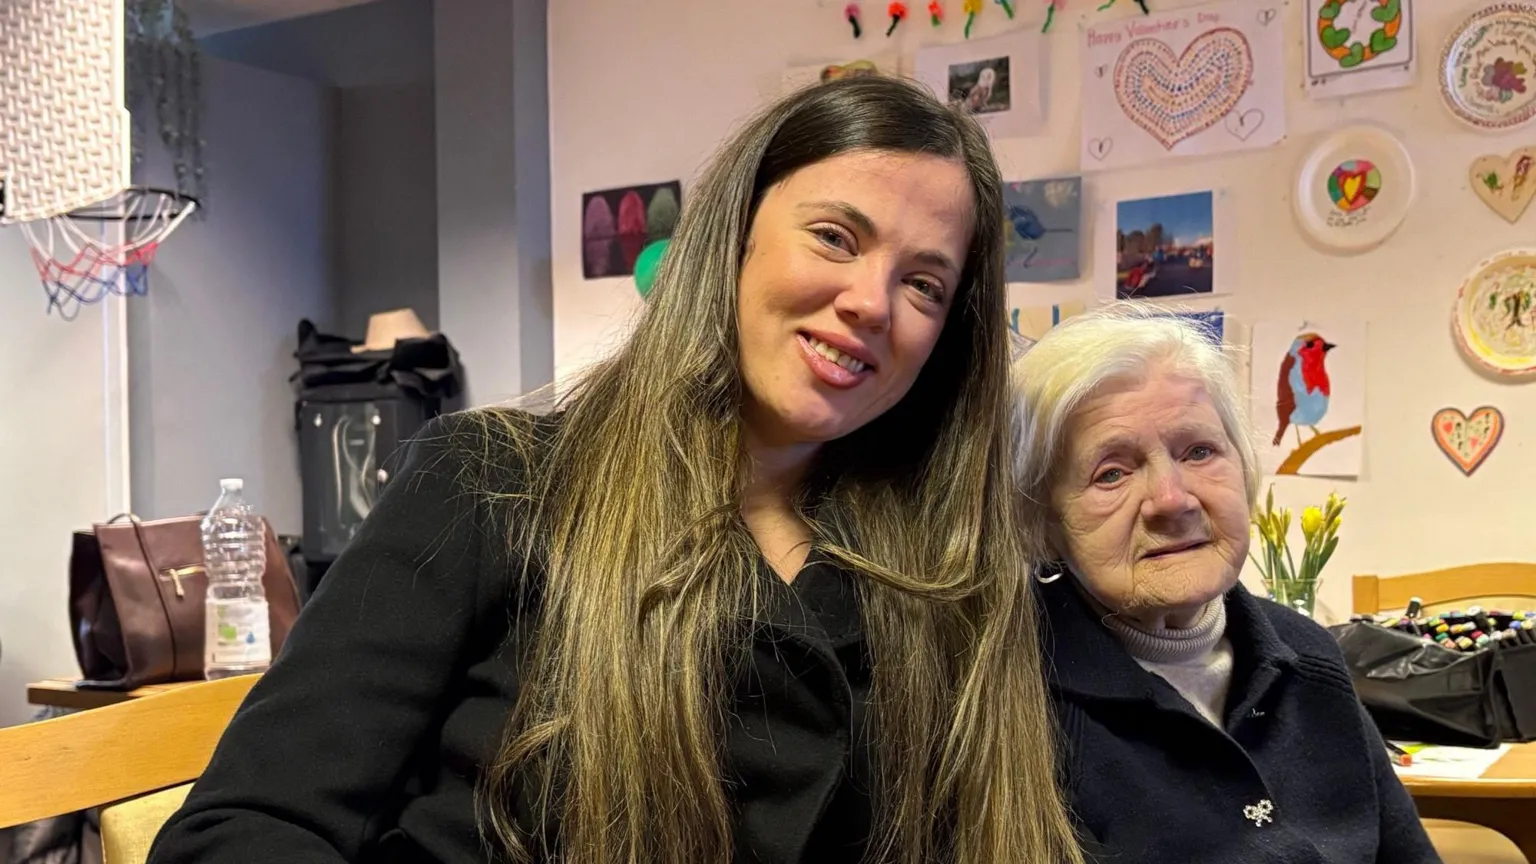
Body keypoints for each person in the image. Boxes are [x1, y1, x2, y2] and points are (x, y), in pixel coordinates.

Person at [148, 76, 1084, 864]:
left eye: (923, 283)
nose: (869, 302)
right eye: (835, 238)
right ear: (735, 237)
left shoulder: (948, 576)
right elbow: (250, 829)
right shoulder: (490, 484)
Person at [1009, 303, 1442, 864]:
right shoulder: (1007, 695)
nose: (1173, 499)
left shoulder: (1306, 655)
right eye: (1110, 473)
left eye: (1199, 451)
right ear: (1042, 520)